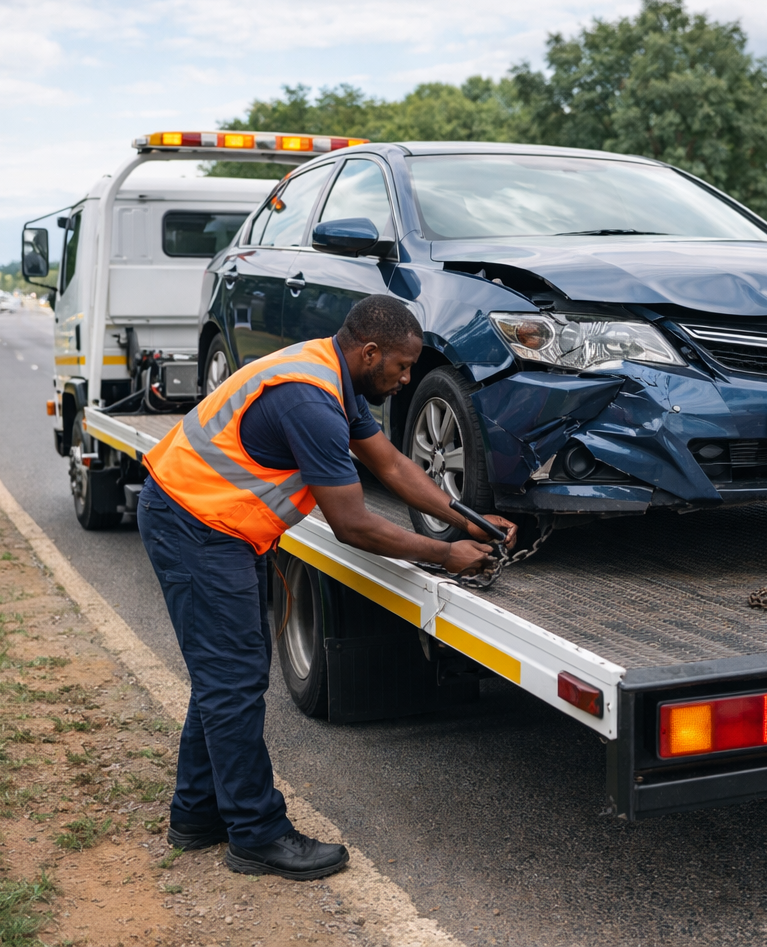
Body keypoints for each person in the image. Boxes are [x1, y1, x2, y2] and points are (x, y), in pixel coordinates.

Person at [137, 295, 517, 880]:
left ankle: (198, 814)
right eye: (403, 366)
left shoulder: (333, 376)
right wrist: (446, 553)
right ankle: (256, 834)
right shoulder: (311, 401)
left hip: (214, 525)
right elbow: (353, 524)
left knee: (225, 676)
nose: (407, 377)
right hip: (196, 526)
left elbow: (392, 465)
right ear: (371, 353)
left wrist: (470, 520)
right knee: (233, 679)